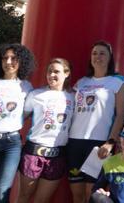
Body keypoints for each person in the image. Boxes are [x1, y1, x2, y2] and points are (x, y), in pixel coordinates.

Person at [68, 41, 124, 203]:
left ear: (110, 57)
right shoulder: (81, 82)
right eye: (94, 53)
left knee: (92, 194)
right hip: (74, 142)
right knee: (77, 194)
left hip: (99, 144)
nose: (98, 57)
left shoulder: (119, 81)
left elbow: (121, 115)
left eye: (102, 53)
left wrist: (110, 142)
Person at [18, 57, 75, 203]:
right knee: (24, 196)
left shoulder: (74, 97)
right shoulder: (35, 94)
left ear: (67, 73)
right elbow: (19, 119)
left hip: (57, 155)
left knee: (42, 200)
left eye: (56, 72)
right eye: (49, 72)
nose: (51, 75)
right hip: (33, 153)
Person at [0, 43, 34, 203]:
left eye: (13, 58)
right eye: (5, 58)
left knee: (1, 191)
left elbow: (25, 114)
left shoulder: (26, 87)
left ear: (21, 61)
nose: (8, 62)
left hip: (11, 144)